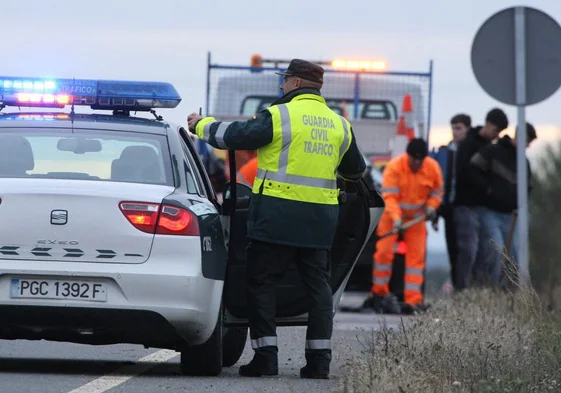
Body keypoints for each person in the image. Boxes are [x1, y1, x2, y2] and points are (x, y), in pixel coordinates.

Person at [187, 58, 366, 379]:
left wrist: (201, 124)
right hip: (320, 220)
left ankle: (265, 358)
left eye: (284, 81)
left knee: (261, 283)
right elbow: (356, 170)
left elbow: (235, 136)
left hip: (276, 216)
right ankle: (319, 362)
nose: (281, 85)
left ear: (296, 83)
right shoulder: (340, 124)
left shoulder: (281, 115)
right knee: (318, 289)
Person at [364, 138, 444, 314]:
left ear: (424, 158)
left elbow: (437, 193)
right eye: (413, 159)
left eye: (420, 159)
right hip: (392, 216)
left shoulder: (432, 168)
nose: (416, 162)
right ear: (407, 155)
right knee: (383, 253)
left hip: (417, 219)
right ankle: (379, 294)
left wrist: (431, 208)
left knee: (416, 259)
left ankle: (413, 301)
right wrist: (397, 219)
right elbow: (390, 198)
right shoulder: (394, 167)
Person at [466, 122, 537, 288]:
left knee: (514, 256)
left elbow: (527, 188)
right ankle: (488, 289)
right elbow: (472, 171)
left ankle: (507, 293)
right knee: (495, 251)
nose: (527, 146)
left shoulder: (523, 163)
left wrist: (521, 204)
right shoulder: (493, 151)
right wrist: (488, 190)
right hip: (489, 212)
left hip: (511, 215)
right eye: (526, 141)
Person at [453, 108, 509, 291]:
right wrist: (486, 186)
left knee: (487, 250)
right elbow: (464, 173)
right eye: (496, 130)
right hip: (466, 205)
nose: (496, 135)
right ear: (489, 125)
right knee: (469, 250)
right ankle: (463, 290)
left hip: (482, 207)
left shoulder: (491, 147)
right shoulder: (470, 144)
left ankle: (479, 289)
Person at [433, 114, 471, 290]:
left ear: (467, 129)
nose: (456, 132)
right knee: (453, 247)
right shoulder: (445, 152)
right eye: (453, 128)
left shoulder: (471, 151)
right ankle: (457, 285)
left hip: (466, 207)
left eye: (459, 128)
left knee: (467, 248)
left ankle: (465, 285)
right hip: (448, 208)